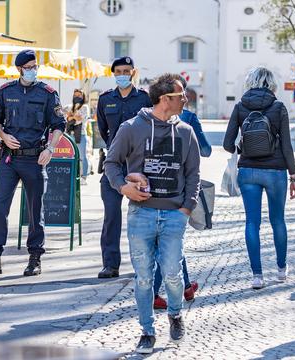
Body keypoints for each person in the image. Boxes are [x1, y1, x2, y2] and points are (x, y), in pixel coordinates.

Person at [105, 73, 200, 353]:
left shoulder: (185, 131)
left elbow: (193, 174)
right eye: (180, 95)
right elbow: (111, 163)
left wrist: (186, 209)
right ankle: (147, 331)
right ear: (164, 99)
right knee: (144, 277)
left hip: (173, 215)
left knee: (172, 273)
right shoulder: (132, 127)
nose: (185, 99)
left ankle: (174, 313)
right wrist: (124, 188)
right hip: (141, 215)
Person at [0, 49, 66, 277]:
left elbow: (59, 124)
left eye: (35, 66)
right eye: (28, 67)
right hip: (10, 158)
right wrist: (3, 135)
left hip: (34, 158)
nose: (32, 70)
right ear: (19, 69)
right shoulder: (7, 91)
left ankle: (35, 258)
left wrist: (50, 148)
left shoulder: (47, 93)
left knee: (35, 210)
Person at [223, 67, 295, 289]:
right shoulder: (278, 107)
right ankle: (281, 270)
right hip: (276, 171)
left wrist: (243, 146)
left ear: (250, 82)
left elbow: (227, 145)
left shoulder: (240, 107)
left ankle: (257, 276)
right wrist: (293, 176)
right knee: (278, 221)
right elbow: (287, 145)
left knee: (252, 223)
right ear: (271, 84)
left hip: (248, 171)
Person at [152, 74, 210, 309]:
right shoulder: (189, 119)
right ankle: (156, 290)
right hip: (178, 187)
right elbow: (205, 150)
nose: (185, 100)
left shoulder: (151, 116)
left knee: (167, 239)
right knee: (170, 240)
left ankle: (185, 286)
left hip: (154, 186)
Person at [96, 56, 152, 279]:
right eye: (118, 71)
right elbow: (103, 130)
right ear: (113, 74)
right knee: (111, 216)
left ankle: (144, 264)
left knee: (143, 216)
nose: (122, 74)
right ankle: (110, 264)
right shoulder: (105, 99)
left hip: (140, 165)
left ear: (133, 73)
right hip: (113, 165)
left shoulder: (145, 99)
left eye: (126, 71)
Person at [64, 89, 91, 184]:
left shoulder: (85, 107)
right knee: (70, 156)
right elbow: (64, 117)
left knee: (83, 156)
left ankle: (84, 177)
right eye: (75, 95)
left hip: (81, 134)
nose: (77, 97)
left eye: (79, 95)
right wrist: (72, 117)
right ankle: (73, 174)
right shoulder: (69, 106)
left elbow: (81, 120)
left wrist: (71, 116)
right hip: (70, 134)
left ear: (83, 97)